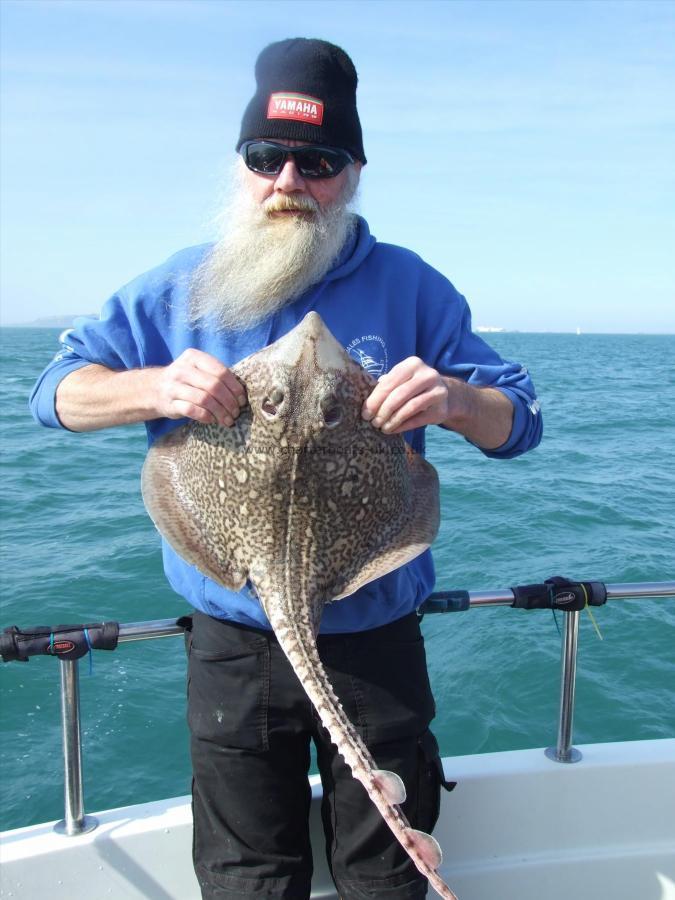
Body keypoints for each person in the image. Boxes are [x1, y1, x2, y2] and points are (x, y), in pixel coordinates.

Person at [30, 38, 542, 900]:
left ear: (353, 171)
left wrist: (454, 399)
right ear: (241, 166)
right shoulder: (178, 288)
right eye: (267, 157)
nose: (289, 180)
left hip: (375, 633)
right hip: (233, 641)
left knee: (386, 872)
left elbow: (519, 422)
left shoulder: (411, 286)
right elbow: (53, 393)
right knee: (247, 877)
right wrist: (150, 385)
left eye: (319, 160)